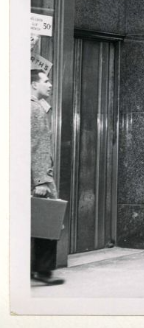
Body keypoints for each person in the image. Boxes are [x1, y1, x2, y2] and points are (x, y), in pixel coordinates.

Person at [30, 69, 64, 286]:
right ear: (34, 84)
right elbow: (38, 146)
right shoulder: (34, 108)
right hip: (39, 176)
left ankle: (36, 269)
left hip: (29, 175)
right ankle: (42, 270)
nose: (50, 84)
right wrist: (41, 180)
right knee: (49, 219)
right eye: (46, 81)